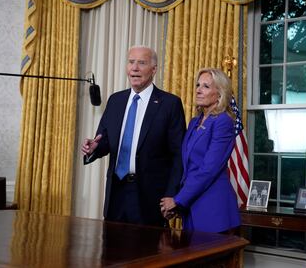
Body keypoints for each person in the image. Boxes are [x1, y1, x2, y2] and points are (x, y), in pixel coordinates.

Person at [81, 46, 186, 227]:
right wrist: (95, 148)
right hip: (116, 194)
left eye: (141, 63)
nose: (134, 68)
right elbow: (104, 140)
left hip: (150, 199)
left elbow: (179, 155)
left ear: (154, 70)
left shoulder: (170, 104)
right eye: (131, 62)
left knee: (148, 254)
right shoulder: (115, 101)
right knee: (112, 253)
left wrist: (172, 194)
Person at [159, 68, 240, 234]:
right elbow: (186, 166)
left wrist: (178, 200)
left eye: (206, 86)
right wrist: (178, 203)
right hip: (192, 207)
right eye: (197, 85)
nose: (198, 90)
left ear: (220, 93)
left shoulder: (223, 122)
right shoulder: (195, 122)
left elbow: (208, 170)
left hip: (213, 210)